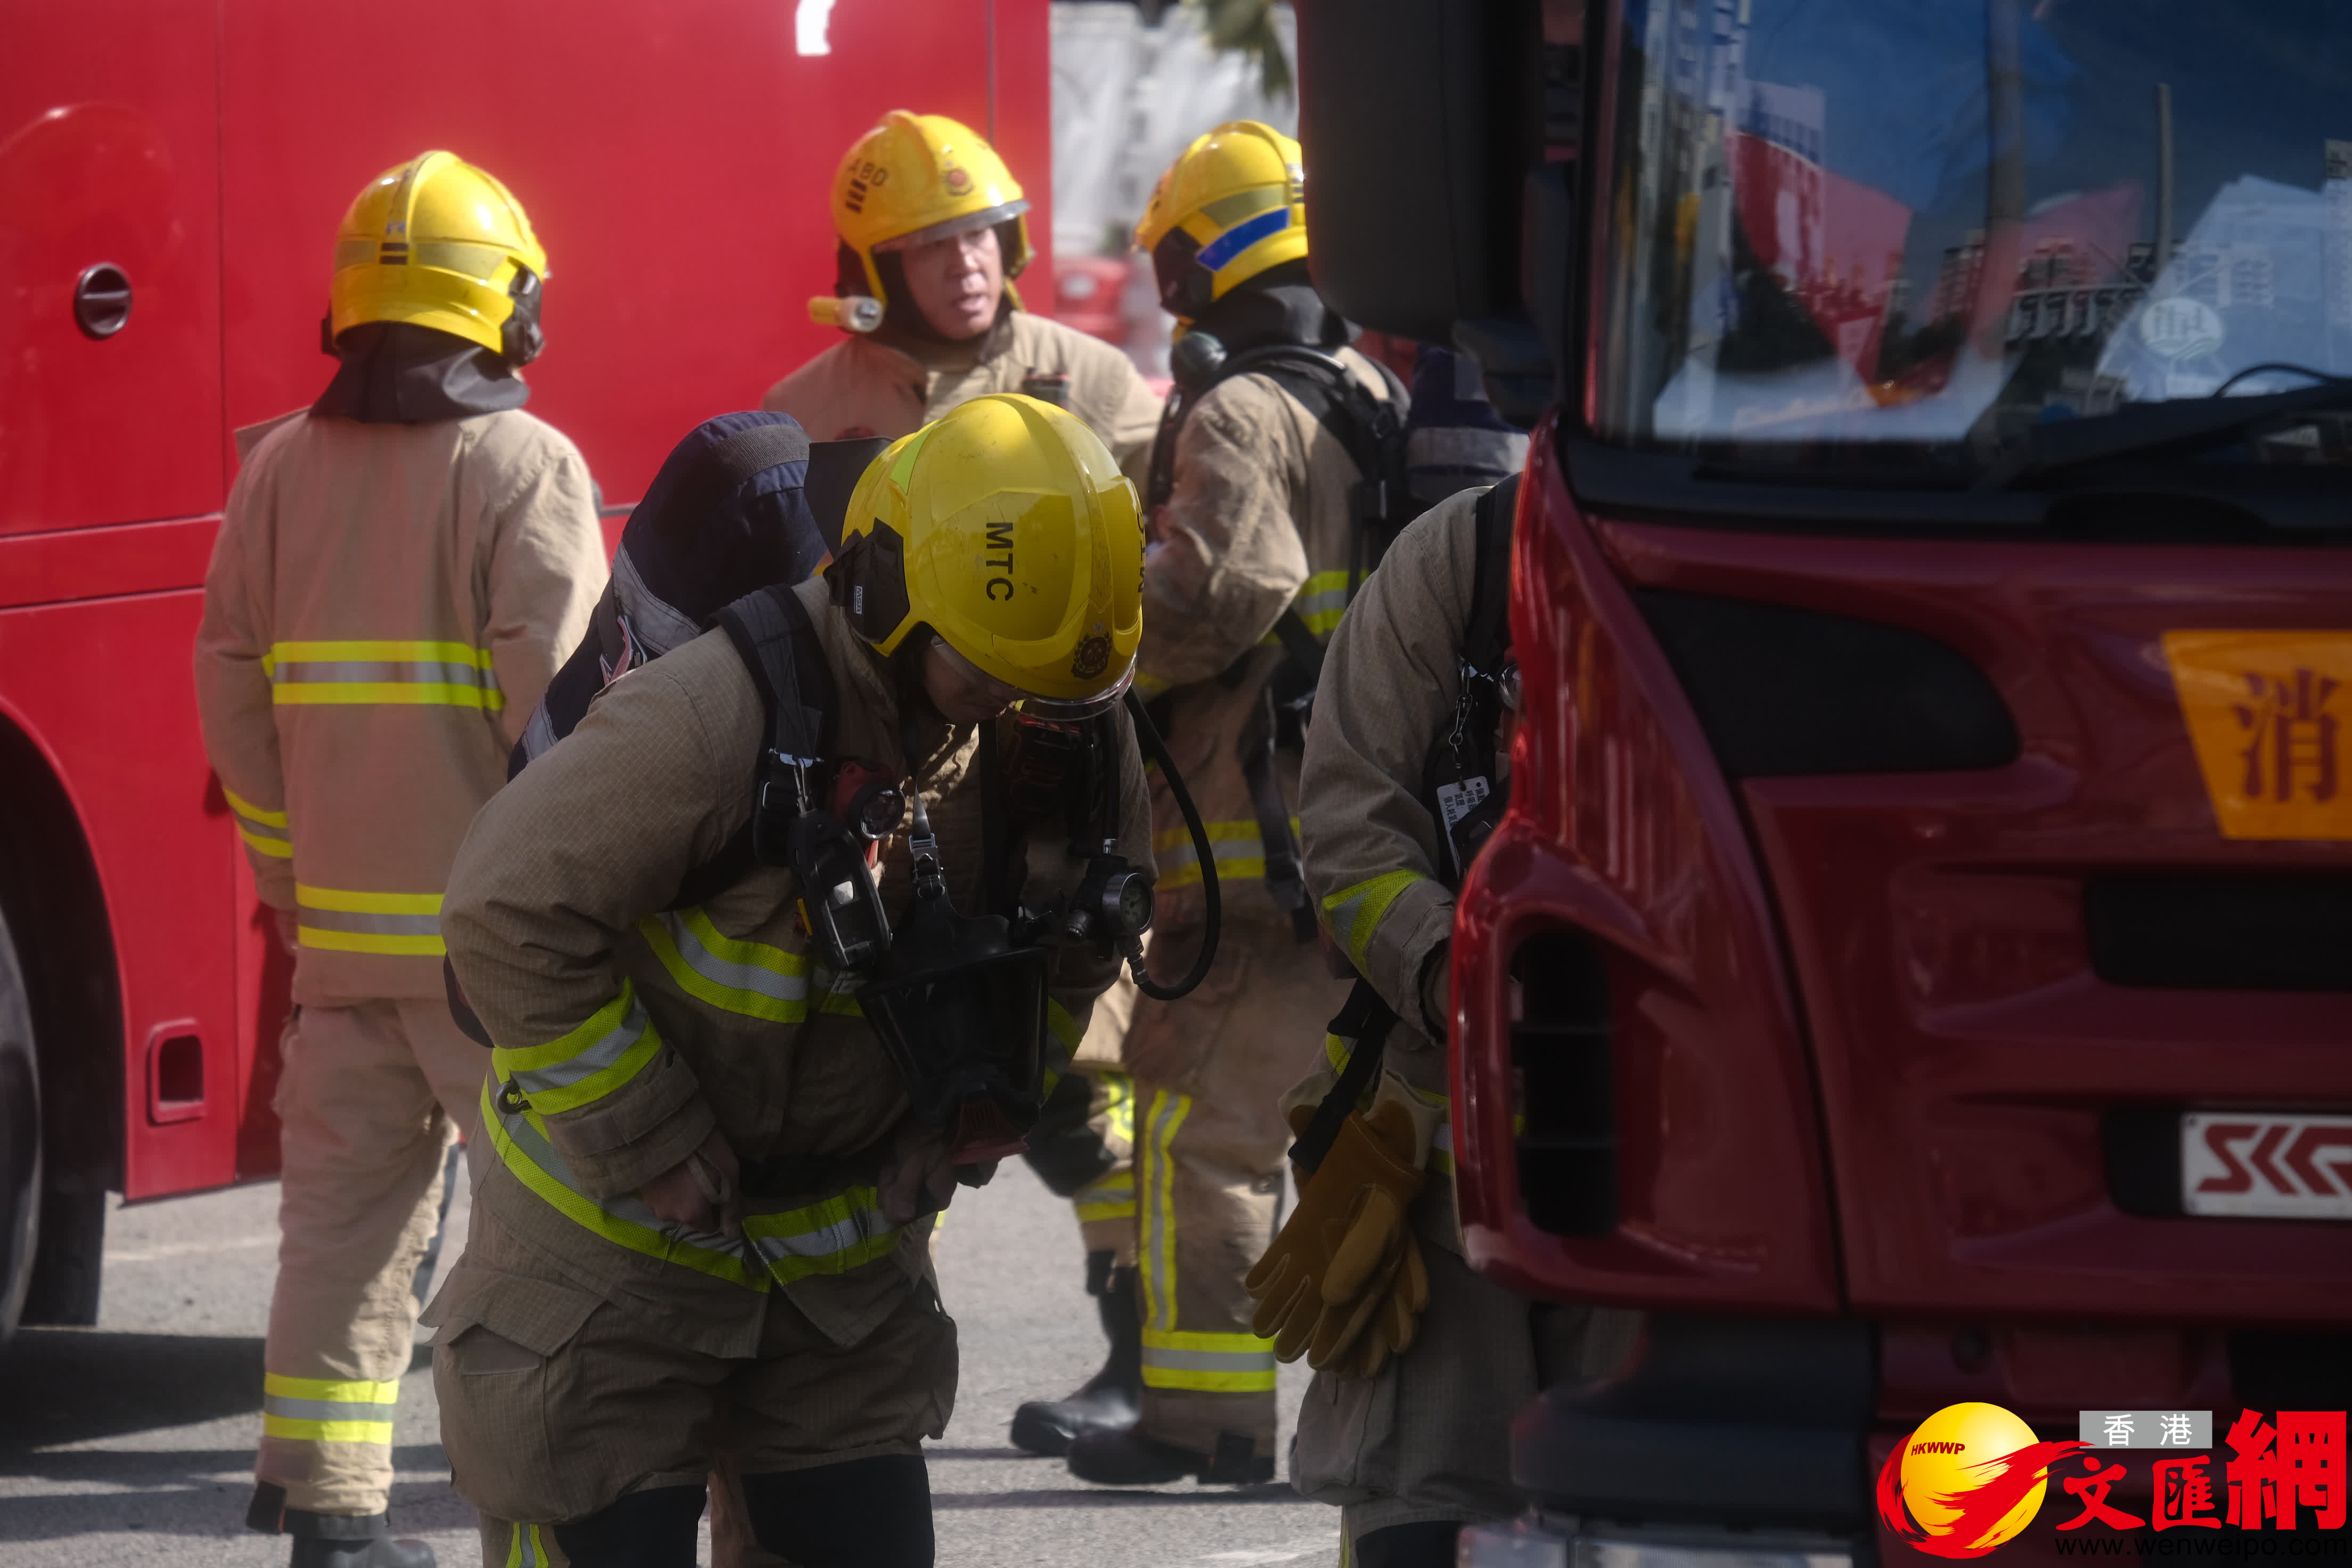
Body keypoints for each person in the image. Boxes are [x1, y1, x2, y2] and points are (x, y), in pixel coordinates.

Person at [427, 394, 1154, 1566]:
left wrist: (984, 1108)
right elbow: (501, 909)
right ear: (885, 597)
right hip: (609, 1263)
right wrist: (648, 1132)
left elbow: (1084, 932)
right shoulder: (718, 711)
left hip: (841, 1287)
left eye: (1059, 693)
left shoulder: (1059, 705)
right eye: (990, 680)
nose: (1028, 715)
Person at [194, 150, 606, 1567]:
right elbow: (565, 725)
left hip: (344, 950)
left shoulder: (277, 474)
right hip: (498, 958)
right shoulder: (526, 466)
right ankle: (543, 1503)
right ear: (508, 306)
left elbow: (232, 696)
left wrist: (291, 882)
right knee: (547, 1242)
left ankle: (329, 1511)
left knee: (342, 1231)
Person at [1044, 121, 1406, 1488]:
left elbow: (1218, 592)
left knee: (1196, 1130)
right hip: (1349, 827)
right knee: (1324, 1123)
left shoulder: (1245, 410)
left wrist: (1091, 648)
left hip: (1246, 839)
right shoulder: (1369, 391)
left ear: (1204, 257)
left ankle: (1207, 1420)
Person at [1258, 478, 1629, 1566]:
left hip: (1681, 1156)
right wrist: (1466, 974)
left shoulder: (1766, 563)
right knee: (1420, 1490)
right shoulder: (1461, 562)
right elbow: (1346, 823)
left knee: (1653, 1499)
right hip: (1437, 1137)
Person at [763, 110, 1163, 486]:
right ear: (879, 273)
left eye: (977, 234)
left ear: (1006, 241)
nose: (965, 265)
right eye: (932, 246)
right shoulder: (803, 414)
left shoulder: (1097, 378)